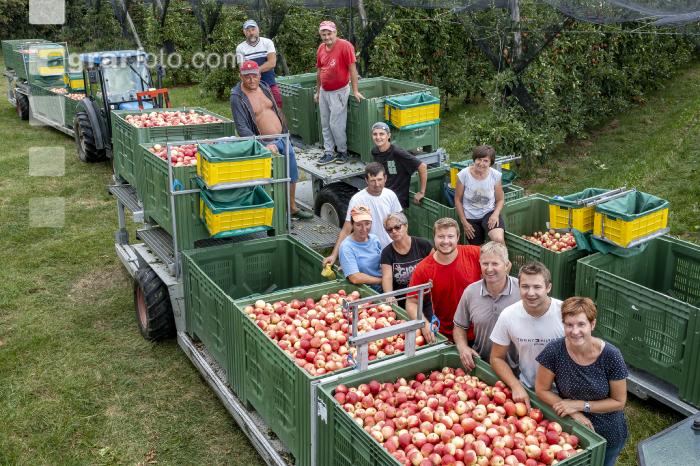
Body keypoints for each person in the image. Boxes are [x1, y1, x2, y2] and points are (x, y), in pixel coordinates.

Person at [536, 297, 628, 466]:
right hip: (570, 428)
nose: (575, 331)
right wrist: (574, 412)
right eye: (569, 325)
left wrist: (579, 405)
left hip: (607, 431)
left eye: (581, 324)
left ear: (592, 324)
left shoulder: (611, 356)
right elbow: (542, 389)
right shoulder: (554, 351)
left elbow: (619, 402)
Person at [230, 60, 312, 220]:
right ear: (241, 76)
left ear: (259, 75)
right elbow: (242, 128)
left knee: (291, 173)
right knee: (269, 180)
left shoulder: (264, 87)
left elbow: (275, 110)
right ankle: (272, 215)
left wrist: (285, 131)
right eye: (247, 77)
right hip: (264, 144)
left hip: (282, 138)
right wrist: (262, 145)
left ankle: (292, 208)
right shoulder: (237, 97)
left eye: (254, 76)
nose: (251, 80)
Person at [489, 261, 564, 407]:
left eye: (537, 287)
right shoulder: (508, 315)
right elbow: (496, 358)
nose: (530, 293)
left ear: (548, 287)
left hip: (564, 393)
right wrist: (515, 385)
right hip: (529, 390)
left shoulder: (564, 313)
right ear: (518, 287)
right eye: (525, 286)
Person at [406, 217, 482, 343]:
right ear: (434, 238)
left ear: (458, 237)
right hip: (447, 336)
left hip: (480, 331)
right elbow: (411, 302)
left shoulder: (474, 253)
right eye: (441, 236)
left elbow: (503, 264)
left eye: (450, 236)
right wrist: (424, 324)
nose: (446, 241)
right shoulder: (423, 268)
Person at [453, 241, 520, 372]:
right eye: (485, 264)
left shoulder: (521, 290)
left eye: (495, 264)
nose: (489, 269)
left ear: (507, 265)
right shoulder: (471, 292)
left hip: (517, 370)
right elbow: (459, 327)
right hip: (482, 367)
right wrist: (463, 347)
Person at [324, 162, 402, 266]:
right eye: (373, 181)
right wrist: (334, 255)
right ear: (366, 180)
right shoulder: (357, 200)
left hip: (390, 250)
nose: (377, 184)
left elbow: (400, 223)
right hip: (368, 253)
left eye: (379, 180)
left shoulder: (390, 195)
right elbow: (346, 230)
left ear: (385, 178)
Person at [314, 20, 364, 165]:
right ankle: (329, 152)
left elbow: (352, 70)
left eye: (329, 33)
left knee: (336, 124)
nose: (326, 37)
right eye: (323, 34)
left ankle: (342, 152)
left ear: (335, 33)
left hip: (339, 91)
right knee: (325, 123)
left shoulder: (345, 46)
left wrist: (355, 90)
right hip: (324, 91)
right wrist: (318, 92)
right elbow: (319, 71)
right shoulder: (321, 48)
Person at [454, 145, 506, 245]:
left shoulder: (495, 175)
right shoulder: (464, 175)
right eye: (479, 159)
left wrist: (495, 214)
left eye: (485, 161)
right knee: (478, 249)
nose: (481, 163)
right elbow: (457, 200)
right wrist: (464, 222)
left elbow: (500, 200)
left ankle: (504, 256)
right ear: (474, 159)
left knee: (498, 239)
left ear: (490, 163)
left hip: (489, 213)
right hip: (470, 216)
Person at [370, 122, 428, 208]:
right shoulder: (375, 151)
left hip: (397, 201)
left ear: (388, 136)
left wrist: (421, 192)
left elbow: (422, 166)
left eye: (381, 134)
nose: (378, 137)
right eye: (375, 134)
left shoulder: (397, 152)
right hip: (382, 196)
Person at [380, 212, 433, 299]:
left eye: (397, 227)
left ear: (406, 226)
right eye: (389, 230)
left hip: (425, 295)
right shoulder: (387, 252)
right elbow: (387, 277)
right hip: (401, 299)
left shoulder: (423, 244)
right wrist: (389, 295)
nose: (394, 231)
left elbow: (435, 267)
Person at [235, 19, 283, 108]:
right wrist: (256, 72)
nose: (251, 33)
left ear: (258, 30)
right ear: (244, 33)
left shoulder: (267, 42)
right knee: (256, 109)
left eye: (253, 29)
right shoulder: (240, 48)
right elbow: (242, 69)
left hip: (269, 83)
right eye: (248, 31)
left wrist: (254, 70)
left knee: (278, 104)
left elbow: (272, 63)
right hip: (251, 86)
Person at [339, 205, 383, 292]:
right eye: (358, 225)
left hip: (382, 288)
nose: (364, 229)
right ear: (352, 225)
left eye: (367, 224)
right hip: (363, 292)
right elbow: (355, 277)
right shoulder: (347, 247)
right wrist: (382, 281)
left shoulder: (374, 239)